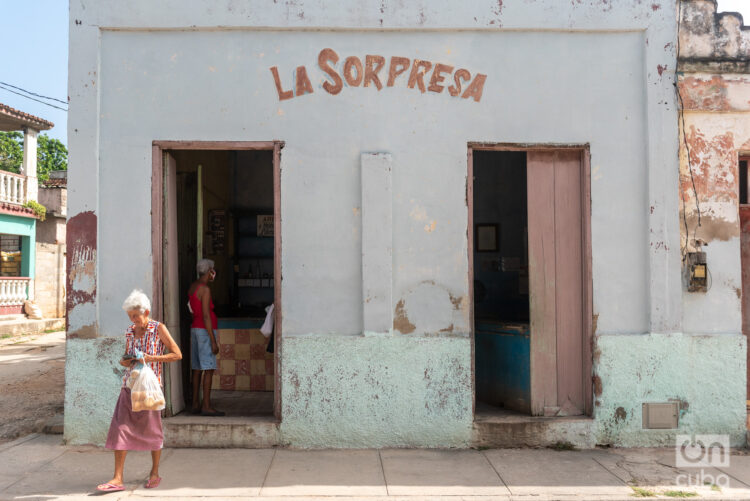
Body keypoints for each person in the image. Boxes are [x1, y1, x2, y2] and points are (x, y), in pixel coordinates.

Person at [97, 289, 182, 492]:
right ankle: (117, 478)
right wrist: (126, 360)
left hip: (150, 390)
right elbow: (125, 359)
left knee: (152, 430)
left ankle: (154, 473)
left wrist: (151, 358)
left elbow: (176, 354)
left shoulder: (158, 328)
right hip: (130, 385)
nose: (134, 320)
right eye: (130, 317)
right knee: (120, 428)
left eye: (136, 316)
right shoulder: (129, 331)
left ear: (146, 312)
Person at [188, 258, 224, 416]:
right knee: (208, 369)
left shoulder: (193, 287)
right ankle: (207, 406)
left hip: (195, 329)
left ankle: (196, 404)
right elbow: (206, 316)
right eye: (213, 270)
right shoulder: (205, 290)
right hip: (204, 331)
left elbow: (192, 311)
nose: (213, 274)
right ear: (210, 271)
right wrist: (213, 340)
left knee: (196, 369)